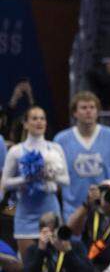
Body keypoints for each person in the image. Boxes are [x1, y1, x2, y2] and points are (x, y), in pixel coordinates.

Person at [54, 91, 110, 219]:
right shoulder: (61, 140)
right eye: (84, 108)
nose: (88, 111)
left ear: (97, 111)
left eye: (92, 107)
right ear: (75, 112)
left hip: (109, 207)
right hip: (73, 207)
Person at [2, 106, 69, 255]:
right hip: (25, 213)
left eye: (42, 118)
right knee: (29, 269)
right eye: (34, 118)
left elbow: (66, 180)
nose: (39, 122)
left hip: (50, 212)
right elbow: (5, 183)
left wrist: (49, 175)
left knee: (55, 265)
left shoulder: (55, 148)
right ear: (25, 123)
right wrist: (26, 179)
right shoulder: (16, 151)